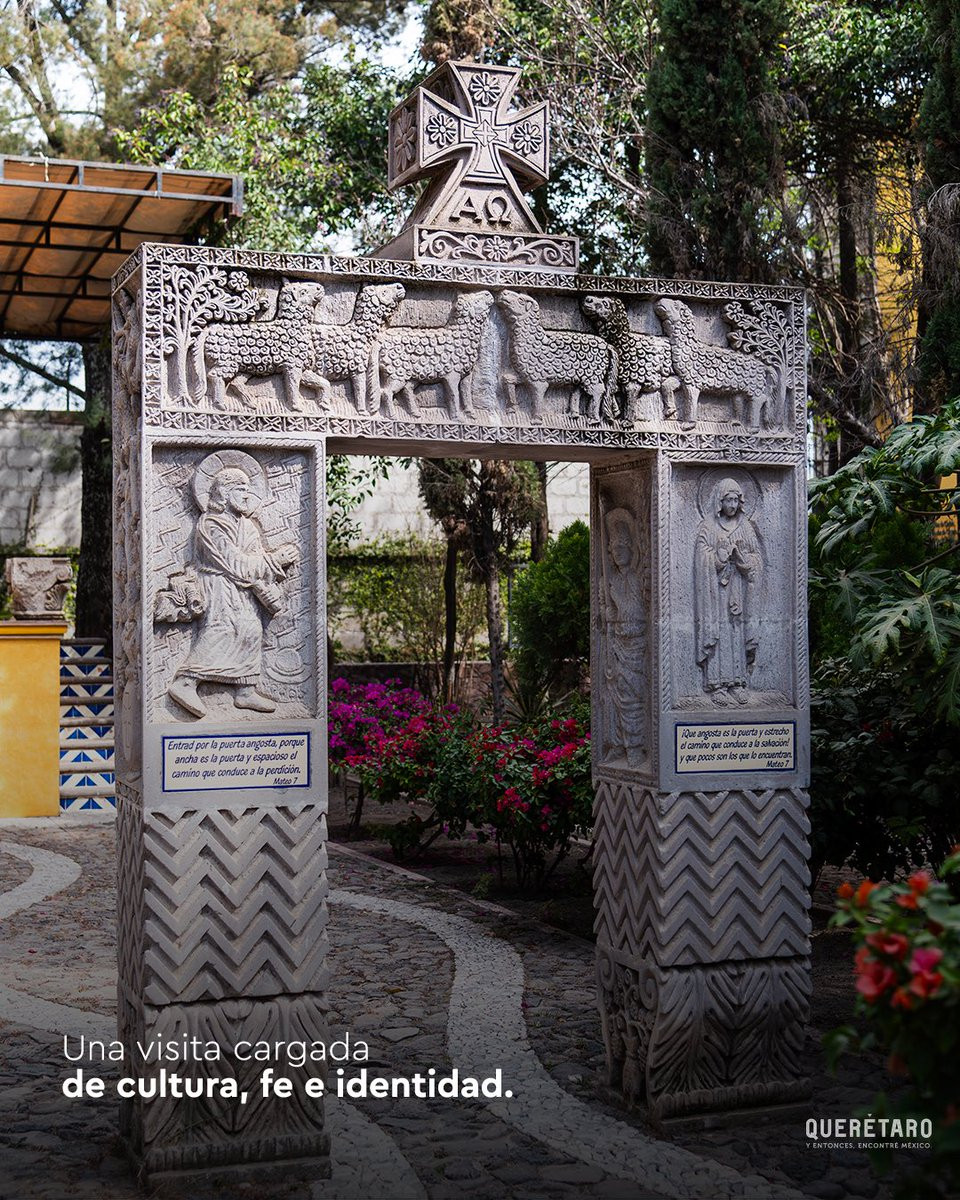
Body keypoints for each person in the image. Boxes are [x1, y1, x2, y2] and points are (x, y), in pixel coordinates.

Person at [168, 461, 298, 718]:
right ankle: (186, 681)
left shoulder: (247, 526)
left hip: (245, 590)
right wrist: (275, 560)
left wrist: (267, 573)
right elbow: (234, 563)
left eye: (249, 490)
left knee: (251, 630)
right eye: (241, 490)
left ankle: (245, 691)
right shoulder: (210, 524)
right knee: (222, 630)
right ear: (224, 493)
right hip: (219, 587)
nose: (247, 496)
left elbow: (254, 559)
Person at [694, 477, 763, 706]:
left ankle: (738, 683)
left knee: (736, 633)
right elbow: (701, 557)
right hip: (716, 594)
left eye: (735, 500)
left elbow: (757, 559)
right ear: (719, 501)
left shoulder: (746, 527)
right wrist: (718, 557)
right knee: (720, 633)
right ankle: (717, 685)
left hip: (739, 591)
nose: (732, 505)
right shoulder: (709, 526)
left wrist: (743, 559)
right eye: (728, 500)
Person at [601, 505, 647, 765]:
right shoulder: (611, 582)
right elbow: (605, 617)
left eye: (622, 548)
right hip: (617, 644)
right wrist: (606, 612)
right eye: (614, 550)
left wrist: (616, 603)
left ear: (631, 550)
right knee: (613, 697)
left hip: (636, 646)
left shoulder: (637, 579)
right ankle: (619, 743)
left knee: (633, 697)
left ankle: (636, 747)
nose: (617, 554)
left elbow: (636, 612)